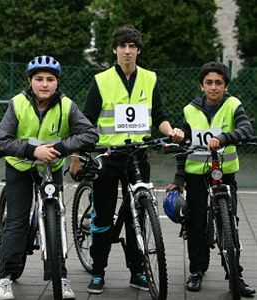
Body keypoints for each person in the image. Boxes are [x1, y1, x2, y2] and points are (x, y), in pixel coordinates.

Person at [69, 25, 184, 294]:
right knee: (103, 216)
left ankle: (138, 271)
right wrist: (78, 154)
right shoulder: (101, 80)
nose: (127, 51)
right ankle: (98, 271)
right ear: (115, 50)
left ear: (139, 50)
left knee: (138, 216)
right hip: (108, 156)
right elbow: (85, 122)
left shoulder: (150, 79)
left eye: (132, 46)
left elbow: (160, 117)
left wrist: (172, 131)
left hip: (138, 156)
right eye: (123, 46)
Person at [0, 55, 99, 300]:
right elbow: (1, 141)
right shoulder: (17, 103)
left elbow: (90, 134)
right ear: (30, 81)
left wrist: (60, 148)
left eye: (50, 79)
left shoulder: (66, 105)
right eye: (39, 79)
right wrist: (33, 151)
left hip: (51, 169)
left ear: (57, 82)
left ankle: (60, 278)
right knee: (17, 222)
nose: (44, 84)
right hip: (20, 167)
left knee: (57, 221)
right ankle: (5, 278)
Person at [166, 61, 255, 297]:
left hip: (224, 172)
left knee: (231, 224)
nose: (214, 87)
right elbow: (183, 145)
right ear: (201, 86)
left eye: (218, 83)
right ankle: (196, 271)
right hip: (196, 173)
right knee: (195, 222)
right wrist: (179, 177)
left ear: (225, 86)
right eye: (209, 83)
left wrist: (225, 137)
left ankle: (235, 273)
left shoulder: (233, 105)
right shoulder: (190, 110)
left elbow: (246, 129)